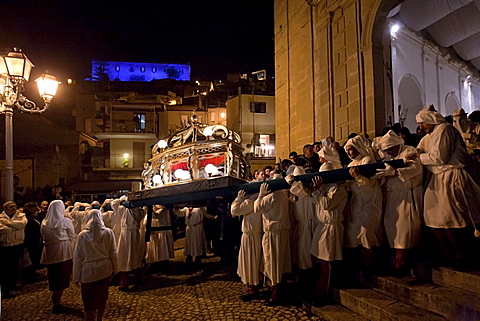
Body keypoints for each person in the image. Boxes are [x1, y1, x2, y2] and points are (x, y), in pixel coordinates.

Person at [407, 105, 480, 269]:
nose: (421, 127)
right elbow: (419, 149)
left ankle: (462, 255)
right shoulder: (430, 135)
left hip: (451, 176)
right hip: (438, 179)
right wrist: (412, 153)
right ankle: (447, 253)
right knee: (432, 215)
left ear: (431, 120)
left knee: (452, 216)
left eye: (423, 123)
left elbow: (440, 157)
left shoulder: (444, 129)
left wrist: (419, 157)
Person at [377, 130, 423, 277]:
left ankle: (401, 262)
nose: (389, 152)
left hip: (407, 195)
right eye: (386, 150)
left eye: (390, 149)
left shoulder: (409, 151)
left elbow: (415, 169)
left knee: (406, 229)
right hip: (393, 196)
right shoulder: (389, 157)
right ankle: (399, 260)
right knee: (394, 228)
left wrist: (395, 172)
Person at [309, 165, 347, 306]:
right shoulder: (325, 189)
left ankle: (323, 294)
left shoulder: (336, 189)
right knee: (320, 260)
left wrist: (317, 190)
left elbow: (326, 204)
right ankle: (319, 290)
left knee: (327, 262)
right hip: (322, 226)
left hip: (331, 227)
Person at [344, 135, 382, 272]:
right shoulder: (350, 165)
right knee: (354, 232)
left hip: (369, 200)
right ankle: (359, 264)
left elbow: (370, 182)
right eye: (346, 151)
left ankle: (370, 264)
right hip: (356, 202)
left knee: (366, 231)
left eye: (350, 150)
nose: (348, 153)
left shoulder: (368, 160)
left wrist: (358, 177)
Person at [74, 209, 118, 321]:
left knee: (87, 299)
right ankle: (99, 318)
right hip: (104, 269)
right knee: (101, 297)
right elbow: (113, 252)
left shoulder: (82, 236)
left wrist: (76, 276)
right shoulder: (108, 232)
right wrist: (115, 269)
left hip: (88, 271)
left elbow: (78, 257)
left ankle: (90, 318)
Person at [254, 179, 291, 306]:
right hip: (282, 232)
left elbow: (257, 208)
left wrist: (260, 195)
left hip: (273, 232)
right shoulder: (283, 196)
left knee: (272, 263)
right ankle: (275, 290)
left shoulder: (271, 197)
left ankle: (275, 294)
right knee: (278, 263)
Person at [40, 200, 75, 313]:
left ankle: (56, 296)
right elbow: (72, 235)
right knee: (62, 275)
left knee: (54, 275)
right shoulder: (65, 221)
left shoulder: (44, 222)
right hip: (63, 250)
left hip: (50, 251)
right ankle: (57, 300)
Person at [231, 189, 263, 302]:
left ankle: (252, 289)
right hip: (255, 235)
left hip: (250, 236)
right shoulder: (259, 199)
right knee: (253, 262)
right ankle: (253, 287)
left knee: (250, 262)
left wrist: (239, 198)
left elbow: (234, 209)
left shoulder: (250, 201)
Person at [112, 197, 146, 291]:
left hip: (125, 236)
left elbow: (114, 203)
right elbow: (143, 209)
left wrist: (123, 199)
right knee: (135, 256)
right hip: (135, 235)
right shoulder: (140, 212)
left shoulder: (124, 210)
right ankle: (138, 279)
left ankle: (124, 284)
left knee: (124, 258)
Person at [0, 201, 27, 298]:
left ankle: (12, 287)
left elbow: (21, 225)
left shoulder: (21, 216)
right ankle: (3, 288)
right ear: (6, 208)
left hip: (17, 244)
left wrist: (7, 223)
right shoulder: (1, 217)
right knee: (3, 268)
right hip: (4, 245)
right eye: (11, 207)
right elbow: (1, 229)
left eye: (14, 206)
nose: (14, 208)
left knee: (14, 267)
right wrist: (13, 227)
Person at [144, 205, 175, 274]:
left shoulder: (163, 210)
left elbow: (155, 216)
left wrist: (149, 208)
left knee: (163, 251)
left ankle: (165, 268)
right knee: (157, 251)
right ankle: (156, 266)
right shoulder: (161, 210)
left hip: (162, 233)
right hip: (156, 233)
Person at [23, 202, 44, 283]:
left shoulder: (32, 218)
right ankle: (29, 276)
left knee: (33, 258)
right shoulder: (27, 219)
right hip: (30, 242)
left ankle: (33, 273)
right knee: (30, 259)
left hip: (34, 242)